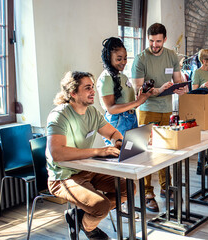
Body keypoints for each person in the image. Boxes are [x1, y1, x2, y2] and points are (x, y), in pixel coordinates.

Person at [46, 71, 129, 240]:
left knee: (128, 188)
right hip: (63, 177)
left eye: (92, 87)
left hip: (87, 170)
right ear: (73, 93)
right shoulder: (59, 116)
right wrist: (98, 151)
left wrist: (118, 142)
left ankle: (79, 218)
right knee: (101, 206)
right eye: (87, 88)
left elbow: (114, 134)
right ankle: (87, 226)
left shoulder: (92, 113)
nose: (93, 91)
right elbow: (57, 154)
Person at [131, 23, 186, 212]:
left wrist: (181, 87)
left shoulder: (171, 55)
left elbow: (178, 80)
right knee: (146, 153)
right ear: (148, 39)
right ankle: (148, 193)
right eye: (152, 41)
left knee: (166, 151)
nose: (155, 45)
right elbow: (138, 89)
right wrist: (157, 90)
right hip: (147, 110)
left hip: (167, 110)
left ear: (165, 39)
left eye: (158, 41)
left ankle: (165, 187)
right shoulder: (140, 59)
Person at [97, 37, 152, 139]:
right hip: (118, 121)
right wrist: (137, 102)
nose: (123, 62)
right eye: (119, 59)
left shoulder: (122, 77)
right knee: (120, 153)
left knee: (134, 153)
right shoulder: (106, 78)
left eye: (125, 58)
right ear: (109, 58)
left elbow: (128, 103)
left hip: (131, 118)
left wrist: (142, 97)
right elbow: (111, 109)